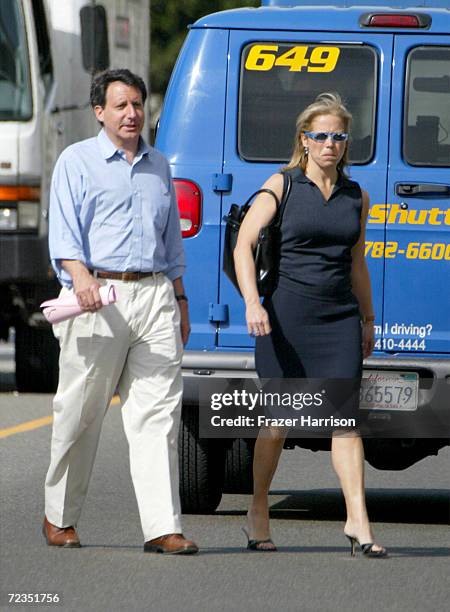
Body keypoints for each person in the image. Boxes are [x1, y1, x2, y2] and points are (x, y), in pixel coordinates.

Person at [43, 69, 198, 555]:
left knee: (157, 417)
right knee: (81, 413)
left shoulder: (160, 165)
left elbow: (171, 239)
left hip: (154, 296)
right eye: (121, 106)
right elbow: (64, 233)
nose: (132, 114)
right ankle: (59, 517)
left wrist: (179, 297)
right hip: (97, 296)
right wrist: (81, 276)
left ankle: (162, 527)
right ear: (99, 112)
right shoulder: (77, 160)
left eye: (138, 105)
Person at [234, 93, 387, 557]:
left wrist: (367, 317)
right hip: (286, 318)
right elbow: (244, 244)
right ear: (304, 139)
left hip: (338, 317)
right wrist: (252, 304)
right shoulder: (281, 185)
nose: (330, 144)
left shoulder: (355, 195)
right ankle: (258, 508)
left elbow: (357, 260)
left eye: (338, 136)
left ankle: (358, 521)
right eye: (320, 136)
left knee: (346, 423)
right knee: (279, 423)